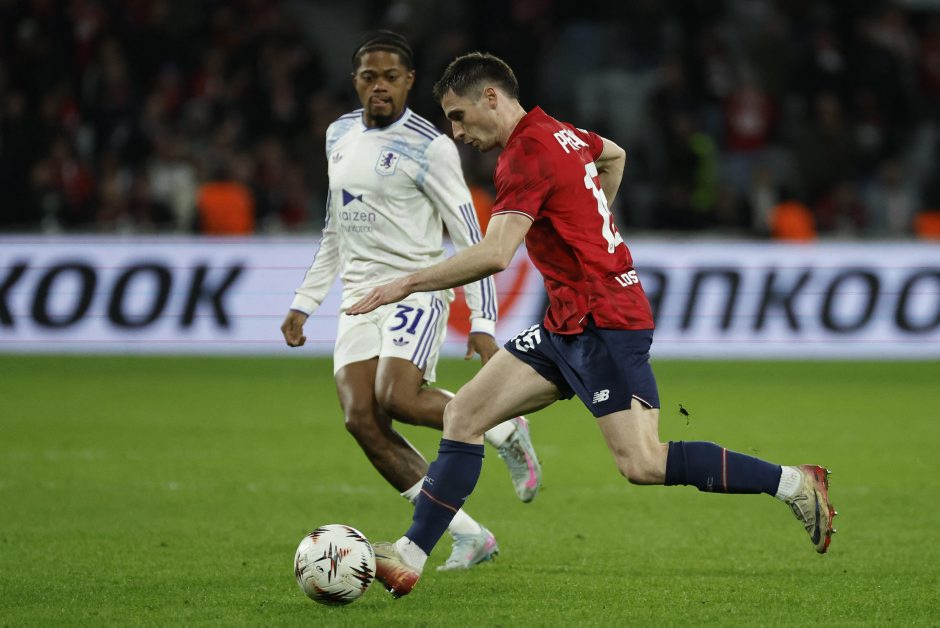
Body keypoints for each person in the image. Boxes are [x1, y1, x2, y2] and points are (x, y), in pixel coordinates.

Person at [346, 52, 838, 598]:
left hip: (605, 319)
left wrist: (407, 283)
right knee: (463, 413)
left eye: (459, 116)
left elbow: (495, 254)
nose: (456, 132)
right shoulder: (558, 132)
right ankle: (409, 555)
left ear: (490, 97)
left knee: (642, 462)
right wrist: (589, 220)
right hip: (566, 319)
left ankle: (793, 483)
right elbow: (614, 155)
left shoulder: (525, 154)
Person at [281, 34, 542, 571]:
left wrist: (483, 321)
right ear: (355, 81)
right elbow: (335, 227)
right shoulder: (338, 135)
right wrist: (305, 300)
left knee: (397, 396)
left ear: (408, 82)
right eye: (369, 77)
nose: (379, 86)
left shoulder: (431, 146)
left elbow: (469, 234)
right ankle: (469, 534)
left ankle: (501, 425)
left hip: (415, 289)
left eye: (390, 77)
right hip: (359, 297)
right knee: (361, 419)